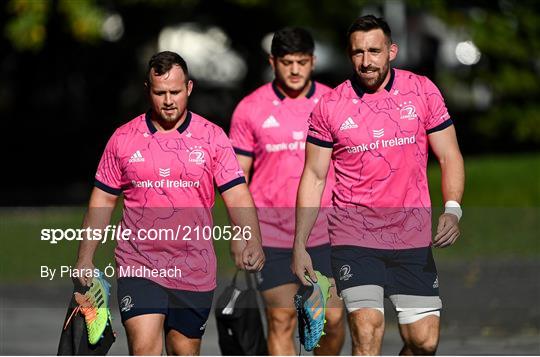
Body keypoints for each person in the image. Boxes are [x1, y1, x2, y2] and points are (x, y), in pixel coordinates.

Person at [292, 15, 465, 355]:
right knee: (367, 330)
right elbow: (314, 175)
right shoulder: (330, 106)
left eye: (374, 51)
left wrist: (453, 209)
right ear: (349, 54)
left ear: (392, 51)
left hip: (411, 235)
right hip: (355, 236)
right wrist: (300, 243)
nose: (366, 61)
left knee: (424, 341)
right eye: (358, 53)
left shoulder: (422, 91)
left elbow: (449, 155)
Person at [74, 51, 265, 355]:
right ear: (147, 89)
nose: (168, 101)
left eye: (175, 92)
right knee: (144, 348)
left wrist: (251, 238)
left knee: (183, 351)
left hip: (194, 268)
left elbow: (237, 194)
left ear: (189, 88)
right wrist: (85, 258)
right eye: (160, 92)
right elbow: (102, 200)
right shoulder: (123, 139)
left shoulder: (212, 137)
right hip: (139, 265)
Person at [229, 27, 345, 355]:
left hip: (327, 232)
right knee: (281, 320)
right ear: (272, 62)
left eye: (302, 62)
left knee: (333, 321)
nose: (294, 70)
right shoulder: (249, 109)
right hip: (272, 234)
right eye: (287, 62)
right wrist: (241, 232)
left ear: (313, 61)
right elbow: (237, 178)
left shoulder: (334, 102)